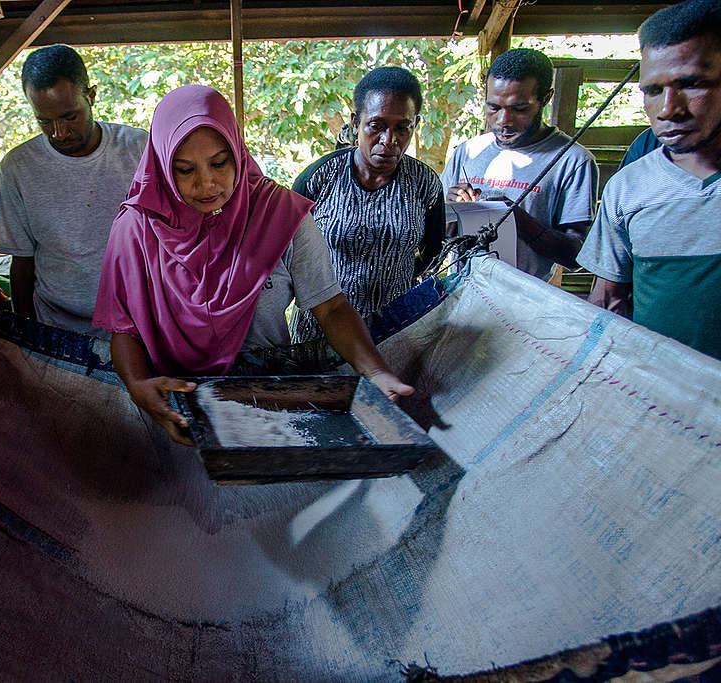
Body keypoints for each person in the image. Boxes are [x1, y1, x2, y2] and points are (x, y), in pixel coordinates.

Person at [93, 85, 414, 445]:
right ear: (163, 165)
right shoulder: (137, 229)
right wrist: (138, 384)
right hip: (177, 415)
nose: (207, 183)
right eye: (184, 170)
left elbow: (332, 307)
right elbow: (125, 330)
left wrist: (376, 373)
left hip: (272, 410)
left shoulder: (278, 215)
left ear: (237, 151)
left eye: (219, 163)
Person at [577, 0, 721, 360]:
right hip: (664, 401)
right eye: (652, 90)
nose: (669, 109)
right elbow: (609, 302)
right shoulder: (628, 189)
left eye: (691, 84)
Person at [0, 44, 147, 337]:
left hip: (135, 323)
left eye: (69, 117)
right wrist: (28, 333)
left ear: (91, 96)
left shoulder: (138, 148)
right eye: (44, 121)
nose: (58, 133)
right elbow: (22, 264)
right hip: (57, 327)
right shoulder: (17, 168)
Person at [289, 67, 445, 343]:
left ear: (415, 125)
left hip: (393, 331)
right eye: (376, 125)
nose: (389, 140)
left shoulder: (424, 185)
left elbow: (433, 249)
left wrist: (396, 275)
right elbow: (284, 249)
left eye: (402, 127)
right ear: (355, 122)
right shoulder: (321, 177)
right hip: (318, 334)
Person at [442, 48, 599, 281]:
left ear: (546, 98)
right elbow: (439, 235)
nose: (504, 121)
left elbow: (576, 256)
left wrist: (517, 220)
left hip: (524, 302)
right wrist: (452, 211)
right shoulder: (468, 151)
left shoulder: (572, 160)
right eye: (493, 107)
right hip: (463, 289)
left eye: (520, 109)